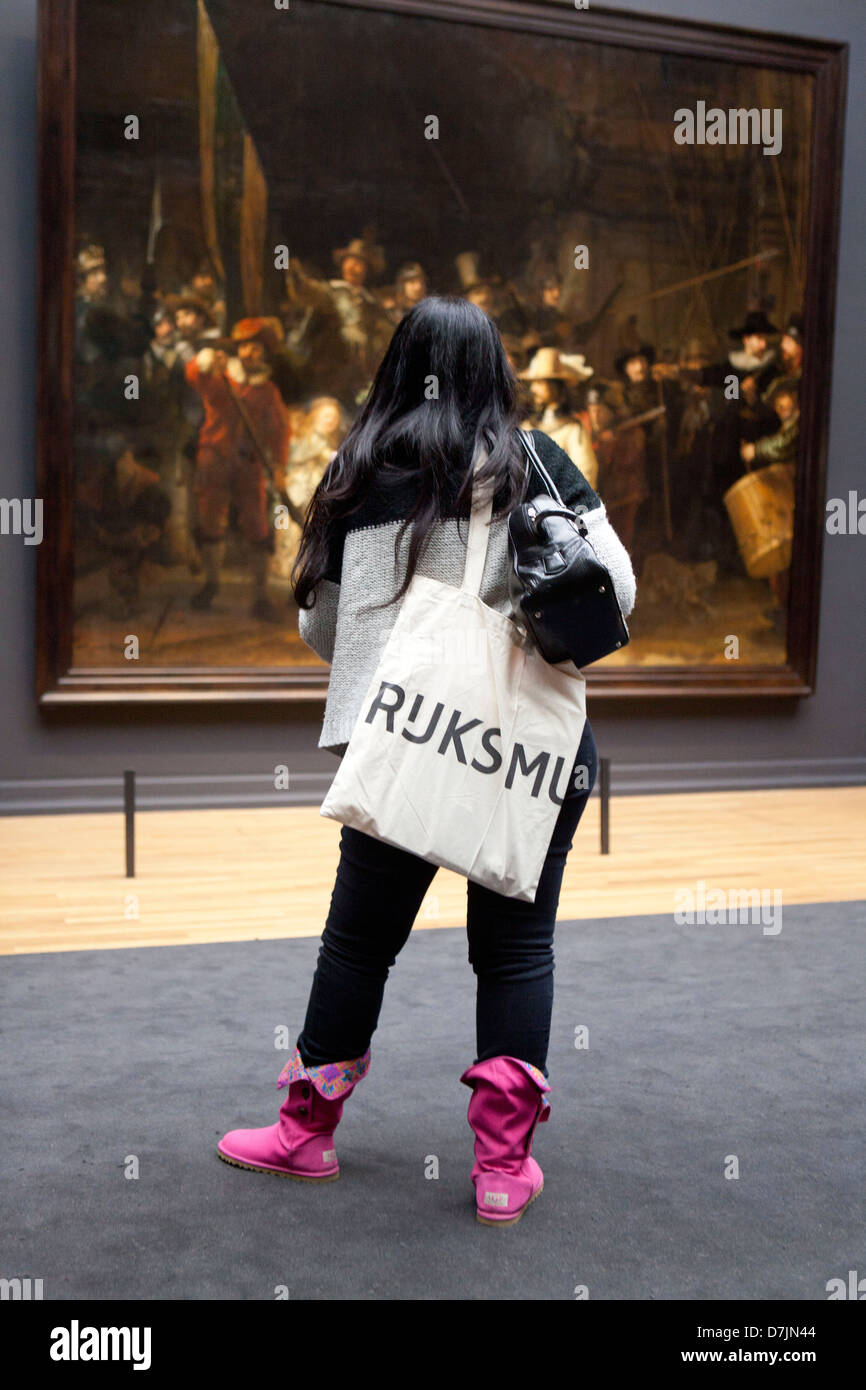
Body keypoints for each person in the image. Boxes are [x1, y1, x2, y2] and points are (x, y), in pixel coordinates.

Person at [217, 296, 637, 1227]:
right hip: (528, 752)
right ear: (494, 370)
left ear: (399, 365)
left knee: (358, 944)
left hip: (407, 743)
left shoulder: (360, 470)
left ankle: (305, 1133)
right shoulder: (539, 465)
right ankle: (499, 1167)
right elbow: (620, 592)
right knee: (517, 950)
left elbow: (323, 628)